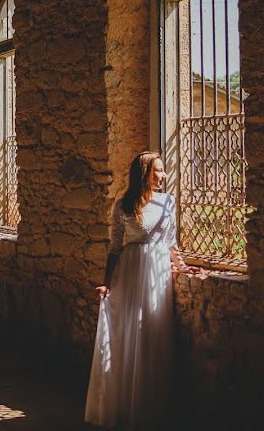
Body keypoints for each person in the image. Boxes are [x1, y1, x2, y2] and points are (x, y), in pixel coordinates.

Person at [84, 151, 195, 430]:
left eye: (163, 170)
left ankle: (150, 406)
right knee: (129, 335)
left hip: (157, 272)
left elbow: (171, 243)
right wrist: (107, 282)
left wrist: (182, 267)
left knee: (154, 333)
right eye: (158, 170)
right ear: (144, 174)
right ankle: (125, 405)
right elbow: (114, 248)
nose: (164, 175)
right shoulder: (124, 205)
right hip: (130, 272)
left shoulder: (169, 202)